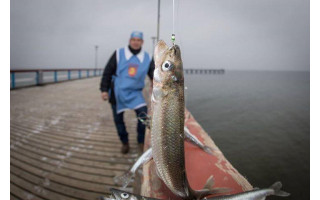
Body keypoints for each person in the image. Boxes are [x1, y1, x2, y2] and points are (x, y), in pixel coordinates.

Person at [100, 31, 154, 154]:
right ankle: (125, 142)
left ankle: (140, 141)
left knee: (143, 116)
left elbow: (153, 74)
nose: (136, 42)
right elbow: (108, 72)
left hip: (135, 93)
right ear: (130, 40)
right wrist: (104, 90)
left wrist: (155, 83)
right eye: (133, 39)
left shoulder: (148, 57)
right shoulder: (119, 53)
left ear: (142, 42)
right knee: (118, 120)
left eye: (138, 40)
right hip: (117, 92)